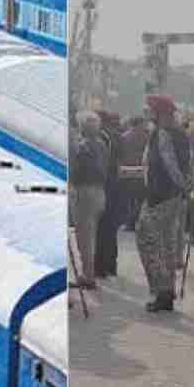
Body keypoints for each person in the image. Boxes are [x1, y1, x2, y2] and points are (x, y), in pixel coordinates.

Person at [136, 94, 193, 312]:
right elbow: (189, 165)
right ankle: (167, 291)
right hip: (172, 197)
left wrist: (182, 185)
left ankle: (162, 290)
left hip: (160, 196)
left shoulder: (162, 134)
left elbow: (170, 164)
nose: (147, 113)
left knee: (147, 239)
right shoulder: (180, 134)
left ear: (158, 114)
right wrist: (187, 187)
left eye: (150, 110)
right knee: (167, 243)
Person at [70, 111, 108, 290]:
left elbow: (75, 168)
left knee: (84, 237)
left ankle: (88, 275)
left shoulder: (81, 146)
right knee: (91, 235)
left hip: (84, 192)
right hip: (99, 191)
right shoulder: (101, 145)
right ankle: (89, 272)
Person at [95, 111, 124, 279]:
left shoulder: (102, 137)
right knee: (110, 228)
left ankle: (100, 267)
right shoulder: (117, 136)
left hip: (105, 185)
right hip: (114, 185)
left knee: (102, 228)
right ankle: (111, 265)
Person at [121, 116, 151, 230]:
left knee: (134, 198)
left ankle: (131, 221)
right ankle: (132, 221)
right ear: (138, 125)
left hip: (133, 170)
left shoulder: (125, 137)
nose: (144, 126)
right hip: (134, 170)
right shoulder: (145, 137)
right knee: (136, 198)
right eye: (143, 124)